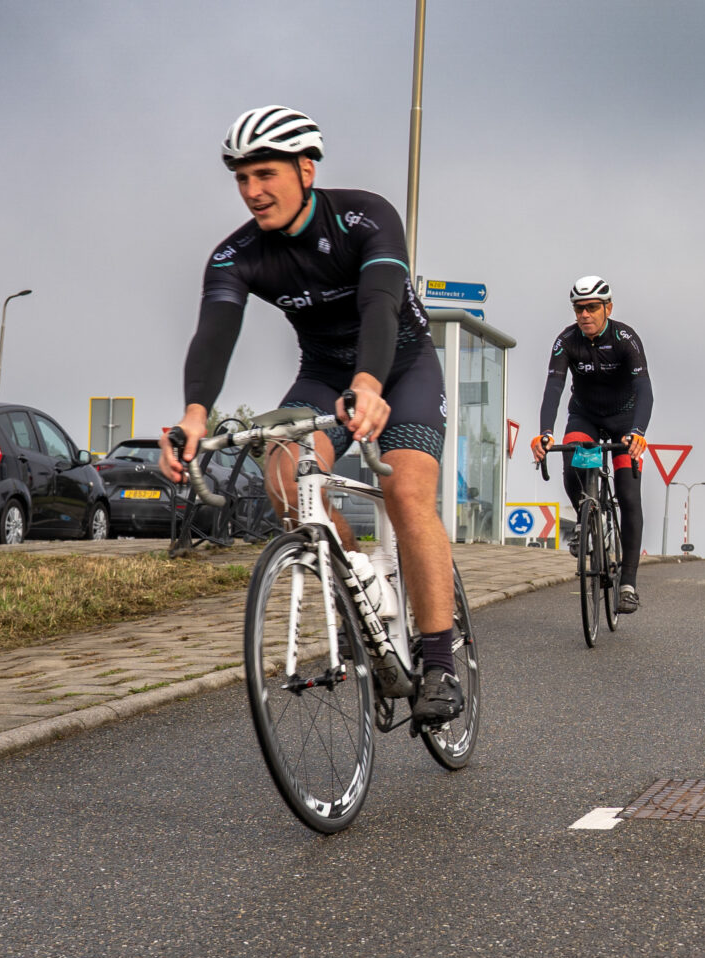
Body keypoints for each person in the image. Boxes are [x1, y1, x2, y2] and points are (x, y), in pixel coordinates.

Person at [161, 105, 465, 726]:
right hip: (323, 376)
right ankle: (357, 592)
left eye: (265, 174)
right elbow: (214, 333)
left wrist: (369, 384)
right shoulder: (237, 255)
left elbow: (380, 304)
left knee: (406, 492)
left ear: (306, 170)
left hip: (400, 367)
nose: (253, 191)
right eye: (242, 178)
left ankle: (439, 662)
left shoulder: (366, 216)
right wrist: (194, 416)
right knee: (283, 480)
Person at [529, 276, 654, 615]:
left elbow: (645, 389)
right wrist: (544, 432)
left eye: (592, 307)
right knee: (572, 460)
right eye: (578, 309)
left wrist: (638, 431)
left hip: (624, 421)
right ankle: (586, 521)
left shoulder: (625, 338)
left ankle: (628, 584)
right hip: (584, 416)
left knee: (629, 496)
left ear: (607, 308)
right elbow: (553, 388)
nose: (584, 314)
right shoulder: (566, 341)